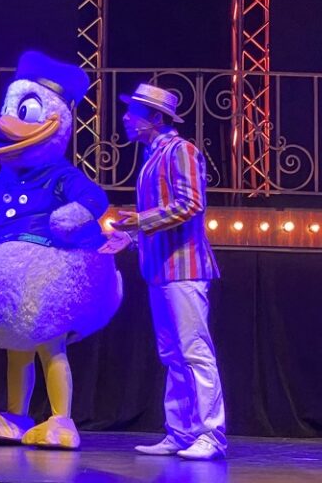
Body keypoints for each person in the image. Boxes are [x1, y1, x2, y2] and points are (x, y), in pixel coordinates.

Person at [106, 83, 226, 461]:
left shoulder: (181, 151)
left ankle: (211, 434)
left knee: (194, 352)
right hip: (159, 270)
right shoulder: (151, 158)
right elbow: (158, 220)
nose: (126, 118)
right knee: (172, 354)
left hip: (185, 268)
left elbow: (191, 204)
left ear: (155, 118)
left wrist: (140, 221)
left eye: (134, 112)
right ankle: (181, 431)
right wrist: (130, 238)